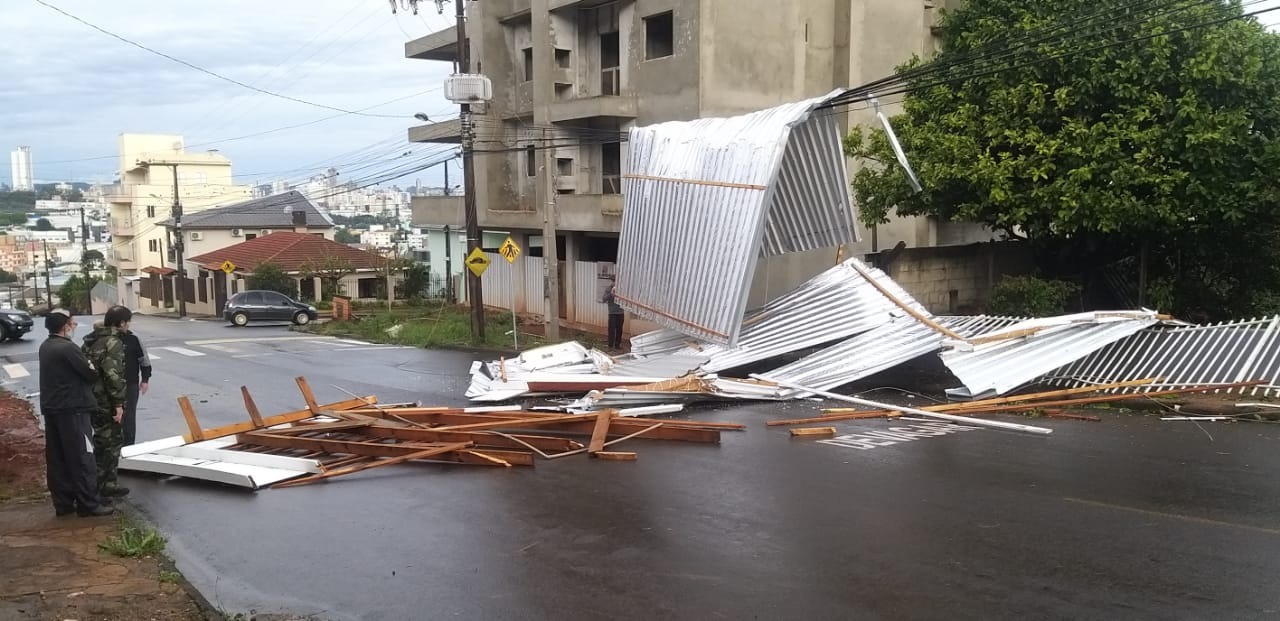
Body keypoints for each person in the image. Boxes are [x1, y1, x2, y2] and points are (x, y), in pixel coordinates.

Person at [38, 309, 112, 517]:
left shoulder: (46, 346)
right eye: (72, 323)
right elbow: (90, 373)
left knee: (58, 458)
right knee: (82, 456)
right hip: (74, 409)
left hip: (53, 408)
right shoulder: (68, 348)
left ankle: (63, 503)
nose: (74, 326)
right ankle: (88, 504)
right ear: (65, 326)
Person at [82, 305, 130, 499]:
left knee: (102, 441)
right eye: (128, 322)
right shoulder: (113, 342)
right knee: (110, 443)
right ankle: (102, 486)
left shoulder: (92, 340)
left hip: (92, 397)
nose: (129, 326)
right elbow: (113, 375)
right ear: (121, 323)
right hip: (106, 401)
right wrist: (118, 404)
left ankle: (106, 483)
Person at [121, 326, 152, 446]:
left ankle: (128, 447)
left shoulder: (133, 338)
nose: (128, 324)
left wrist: (145, 379)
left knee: (129, 417)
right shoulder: (106, 338)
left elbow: (144, 359)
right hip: (108, 385)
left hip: (130, 384)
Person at [603, 281, 625, 350]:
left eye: (616, 281)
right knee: (611, 330)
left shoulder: (622, 288)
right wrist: (611, 294)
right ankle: (610, 345)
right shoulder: (608, 289)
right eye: (613, 281)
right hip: (612, 313)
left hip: (620, 312)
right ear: (611, 282)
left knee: (619, 330)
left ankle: (617, 345)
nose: (614, 283)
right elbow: (604, 299)